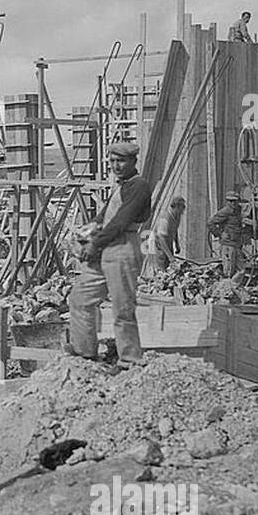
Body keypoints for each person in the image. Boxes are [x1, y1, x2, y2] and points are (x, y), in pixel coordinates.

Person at [67, 140, 152, 367]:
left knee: (123, 308)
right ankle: (85, 352)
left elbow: (121, 221)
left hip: (123, 248)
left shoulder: (139, 186)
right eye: (112, 161)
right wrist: (86, 232)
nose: (116, 165)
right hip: (106, 246)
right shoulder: (120, 186)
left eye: (121, 161)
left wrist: (95, 244)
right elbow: (104, 217)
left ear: (133, 161)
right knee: (79, 299)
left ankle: (130, 358)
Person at [206, 192, 245, 277]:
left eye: (235, 201)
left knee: (241, 270)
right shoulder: (225, 212)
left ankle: (232, 287)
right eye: (230, 201)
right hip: (228, 245)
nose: (233, 203)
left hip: (236, 244)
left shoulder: (238, 211)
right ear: (227, 201)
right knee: (228, 271)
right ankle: (225, 288)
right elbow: (210, 223)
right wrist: (220, 234)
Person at [152, 196, 186, 272]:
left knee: (169, 267)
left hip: (169, 242)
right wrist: (170, 257)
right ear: (176, 206)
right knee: (162, 268)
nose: (184, 209)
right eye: (182, 207)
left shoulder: (177, 216)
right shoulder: (165, 218)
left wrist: (177, 244)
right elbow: (161, 239)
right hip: (160, 246)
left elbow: (175, 229)